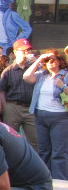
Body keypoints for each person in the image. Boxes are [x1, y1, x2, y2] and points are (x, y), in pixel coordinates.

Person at [23, 50, 68, 179]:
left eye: (53, 60)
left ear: (60, 61)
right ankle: (45, 179)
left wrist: (63, 86)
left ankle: (60, 180)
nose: (50, 63)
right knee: (44, 150)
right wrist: (39, 59)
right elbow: (26, 77)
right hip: (41, 115)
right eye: (47, 61)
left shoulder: (65, 75)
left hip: (60, 117)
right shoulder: (42, 75)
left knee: (59, 151)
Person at [0, 39, 37, 150]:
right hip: (13, 106)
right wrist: (5, 107)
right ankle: (11, 166)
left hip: (30, 107)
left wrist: (37, 62)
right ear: (15, 52)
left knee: (35, 141)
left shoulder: (35, 68)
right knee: (10, 139)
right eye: (23, 51)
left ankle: (33, 165)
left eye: (28, 50)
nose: (26, 53)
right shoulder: (9, 70)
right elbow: (1, 90)